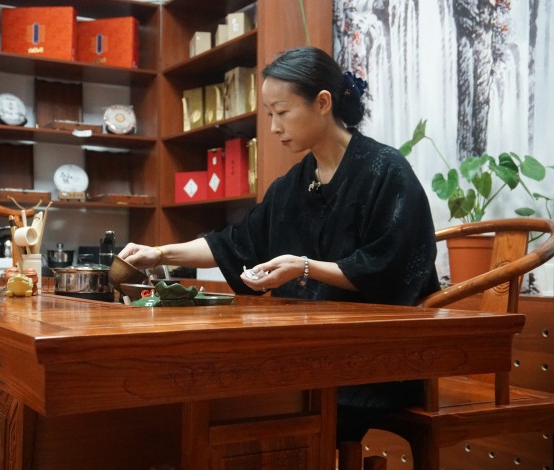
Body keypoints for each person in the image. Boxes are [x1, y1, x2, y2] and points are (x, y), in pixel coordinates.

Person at [119, 46, 441, 443]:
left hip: (374, 358)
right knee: (219, 389)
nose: (272, 127)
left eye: (281, 112)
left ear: (323, 103)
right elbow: (235, 243)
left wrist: (304, 267)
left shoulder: (385, 171)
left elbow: (389, 267)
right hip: (309, 352)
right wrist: (159, 253)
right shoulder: (293, 184)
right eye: (269, 114)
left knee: (252, 402)